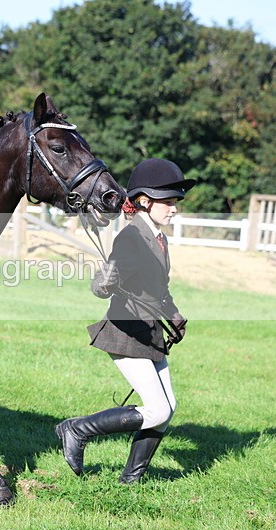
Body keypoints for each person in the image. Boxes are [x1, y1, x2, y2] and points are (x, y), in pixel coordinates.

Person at [55, 158, 195, 483]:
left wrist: (173, 315)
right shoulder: (131, 238)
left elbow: (159, 287)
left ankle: (131, 479)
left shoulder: (159, 238)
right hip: (126, 331)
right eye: (169, 202)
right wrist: (106, 281)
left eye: (176, 202)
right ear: (145, 201)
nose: (174, 208)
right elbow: (101, 286)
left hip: (150, 333)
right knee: (157, 409)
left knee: (167, 407)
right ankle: (76, 429)